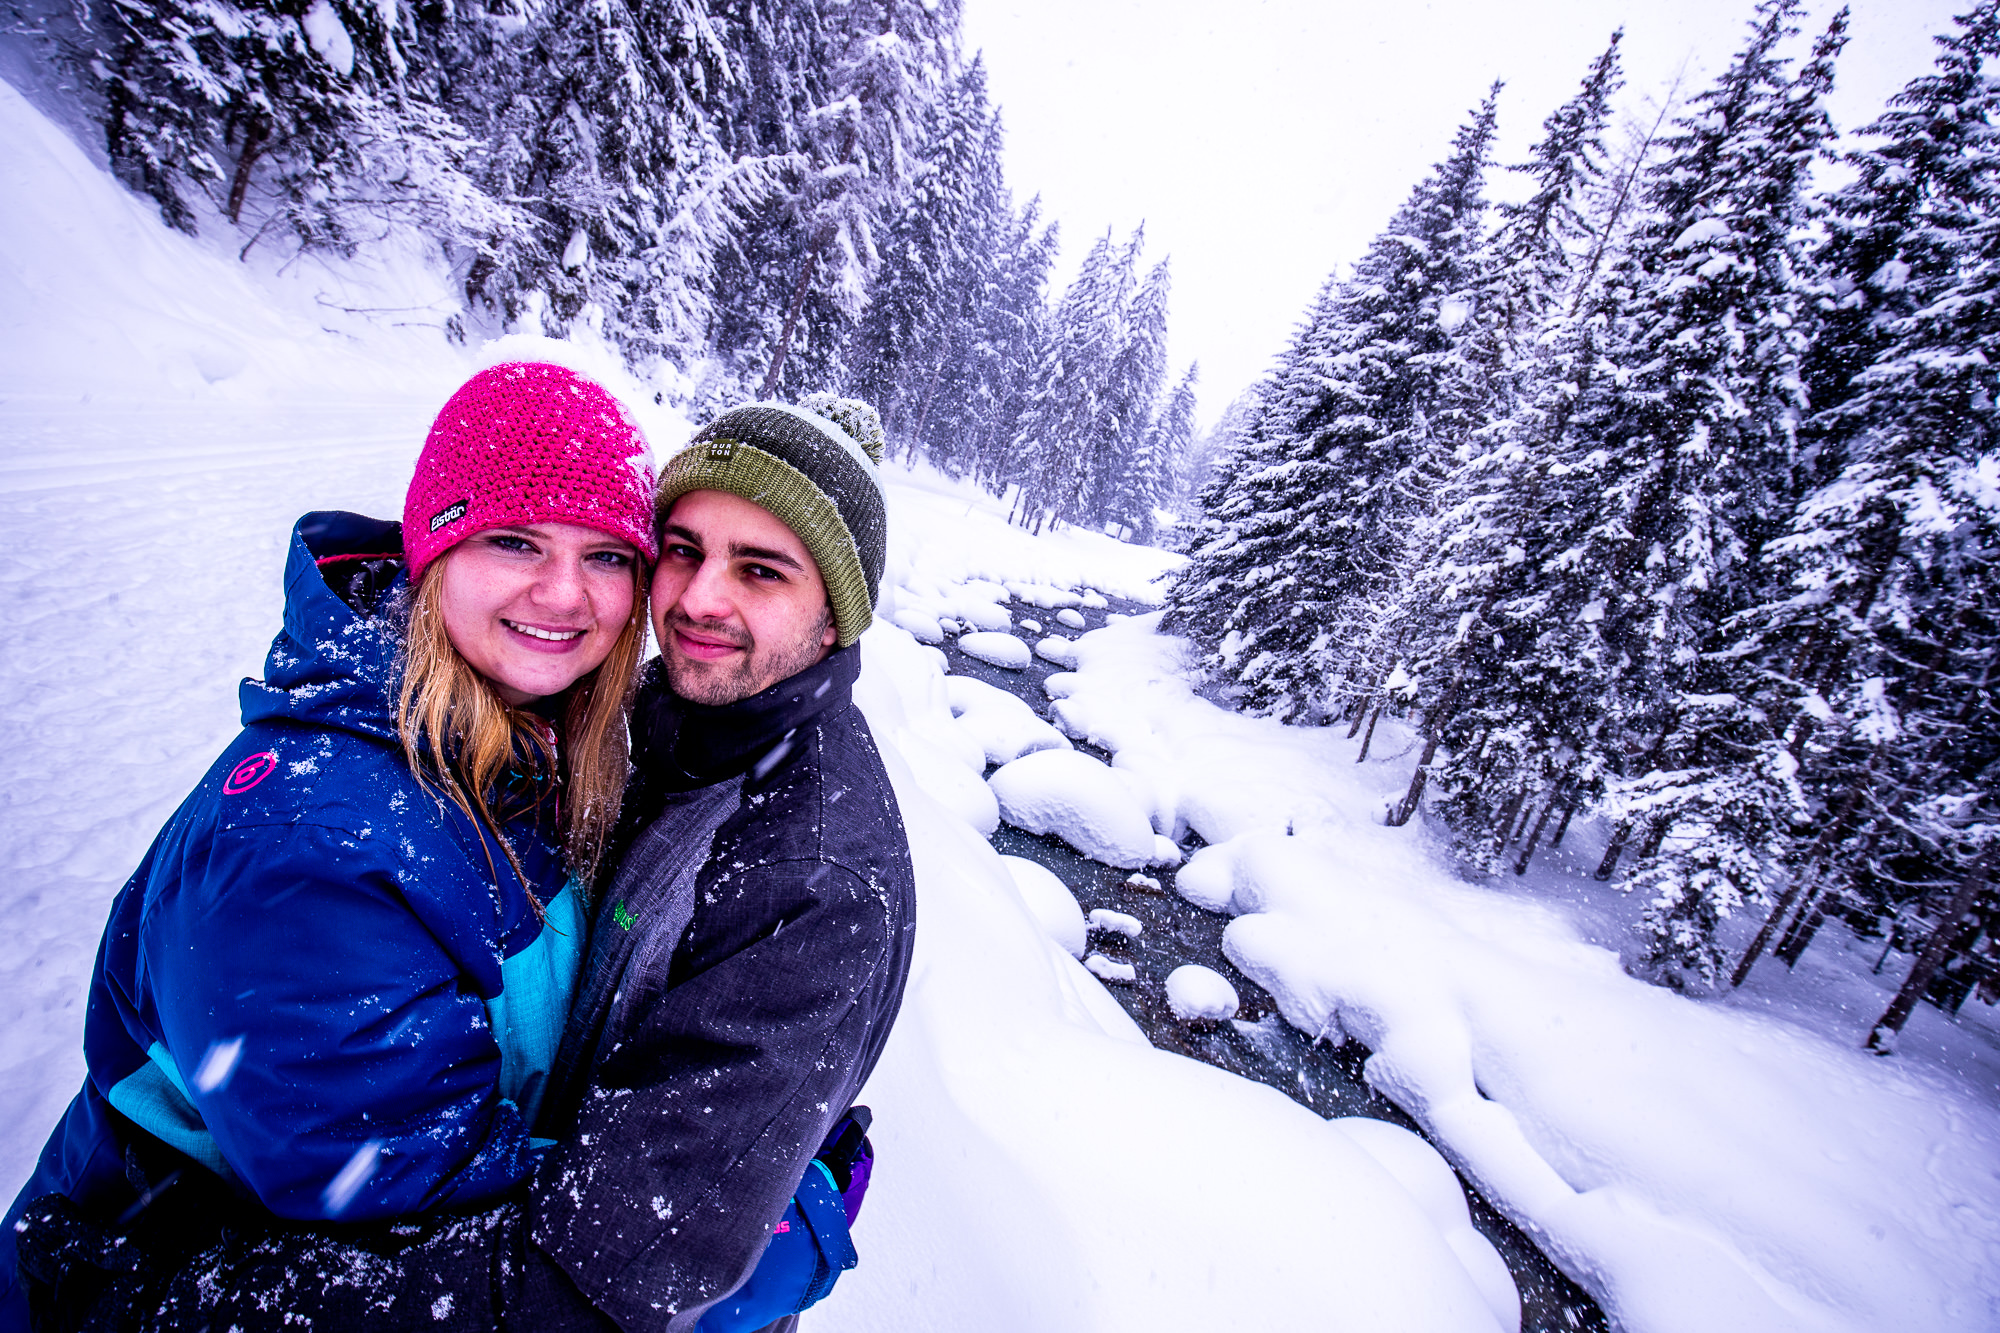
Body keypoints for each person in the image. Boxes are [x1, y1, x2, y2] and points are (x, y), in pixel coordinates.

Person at [1, 361, 660, 1331]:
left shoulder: (528, 738)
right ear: (436, 552)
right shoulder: (307, 854)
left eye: (605, 553)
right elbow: (410, 1223)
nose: (565, 593)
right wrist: (697, 1216)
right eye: (516, 539)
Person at [526, 394, 918, 1331]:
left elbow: (619, 1254)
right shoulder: (659, 718)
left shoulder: (818, 877)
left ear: (834, 618)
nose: (701, 598)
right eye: (687, 548)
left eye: (762, 569)